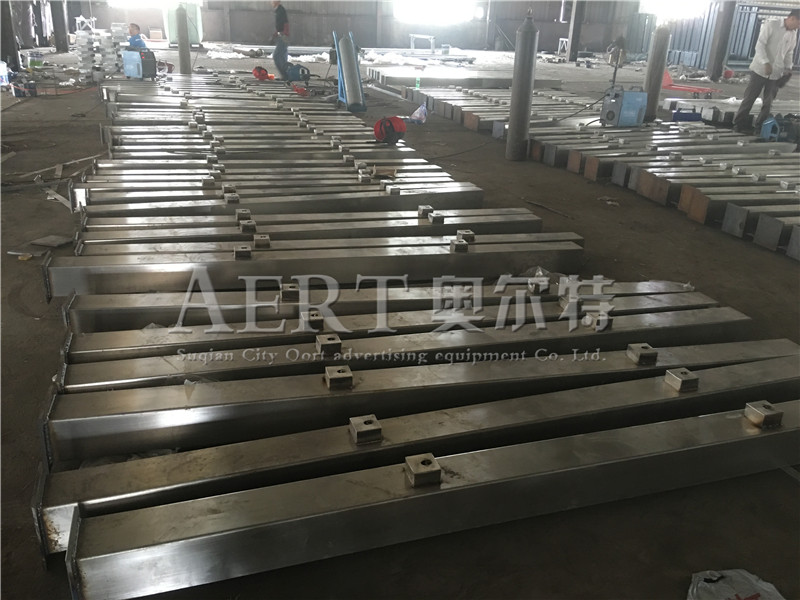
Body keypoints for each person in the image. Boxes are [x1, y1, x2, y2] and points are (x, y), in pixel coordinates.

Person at [732, 9, 799, 133]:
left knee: (768, 103)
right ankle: (739, 125)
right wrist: (765, 62)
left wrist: (788, 67)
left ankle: (760, 127)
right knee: (749, 98)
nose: (798, 27)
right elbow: (760, 45)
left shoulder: (793, 34)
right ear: (792, 18)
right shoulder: (772, 25)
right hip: (760, 69)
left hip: (776, 73)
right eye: (798, 24)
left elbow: (789, 52)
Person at [271, 1, 289, 80]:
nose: (271, 2)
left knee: (277, 56)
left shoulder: (280, 10)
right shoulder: (278, 10)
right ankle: (286, 75)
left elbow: (285, 22)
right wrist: (275, 34)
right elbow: (280, 25)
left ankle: (285, 75)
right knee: (282, 56)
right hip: (280, 35)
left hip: (282, 35)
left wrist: (285, 34)